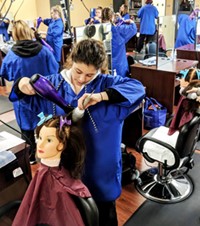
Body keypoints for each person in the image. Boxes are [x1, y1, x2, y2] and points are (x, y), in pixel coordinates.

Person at [9, 38, 145, 226]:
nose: (82, 79)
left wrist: (102, 96)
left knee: (105, 217)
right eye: (78, 71)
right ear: (71, 61)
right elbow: (21, 96)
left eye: (89, 75)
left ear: (99, 69)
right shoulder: (52, 85)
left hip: (100, 175)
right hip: (64, 174)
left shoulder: (108, 84)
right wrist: (21, 84)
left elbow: (138, 89)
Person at [12, 114, 91, 226]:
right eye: (39, 138)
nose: (40, 144)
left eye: (49, 140)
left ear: (61, 145)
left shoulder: (58, 184)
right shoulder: (44, 171)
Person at [0, 20, 59, 164]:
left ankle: (31, 157)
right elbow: (55, 70)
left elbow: (5, 74)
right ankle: (51, 155)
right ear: (28, 31)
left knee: (26, 130)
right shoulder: (44, 51)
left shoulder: (11, 56)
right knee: (48, 125)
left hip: (23, 101)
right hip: (44, 97)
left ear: (14, 34)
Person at [102, 7, 137, 77]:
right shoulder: (119, 30)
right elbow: (133, 29)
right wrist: (131, 22)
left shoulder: (98, 31)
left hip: (104, 68)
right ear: (112, 17)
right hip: (119, 68)